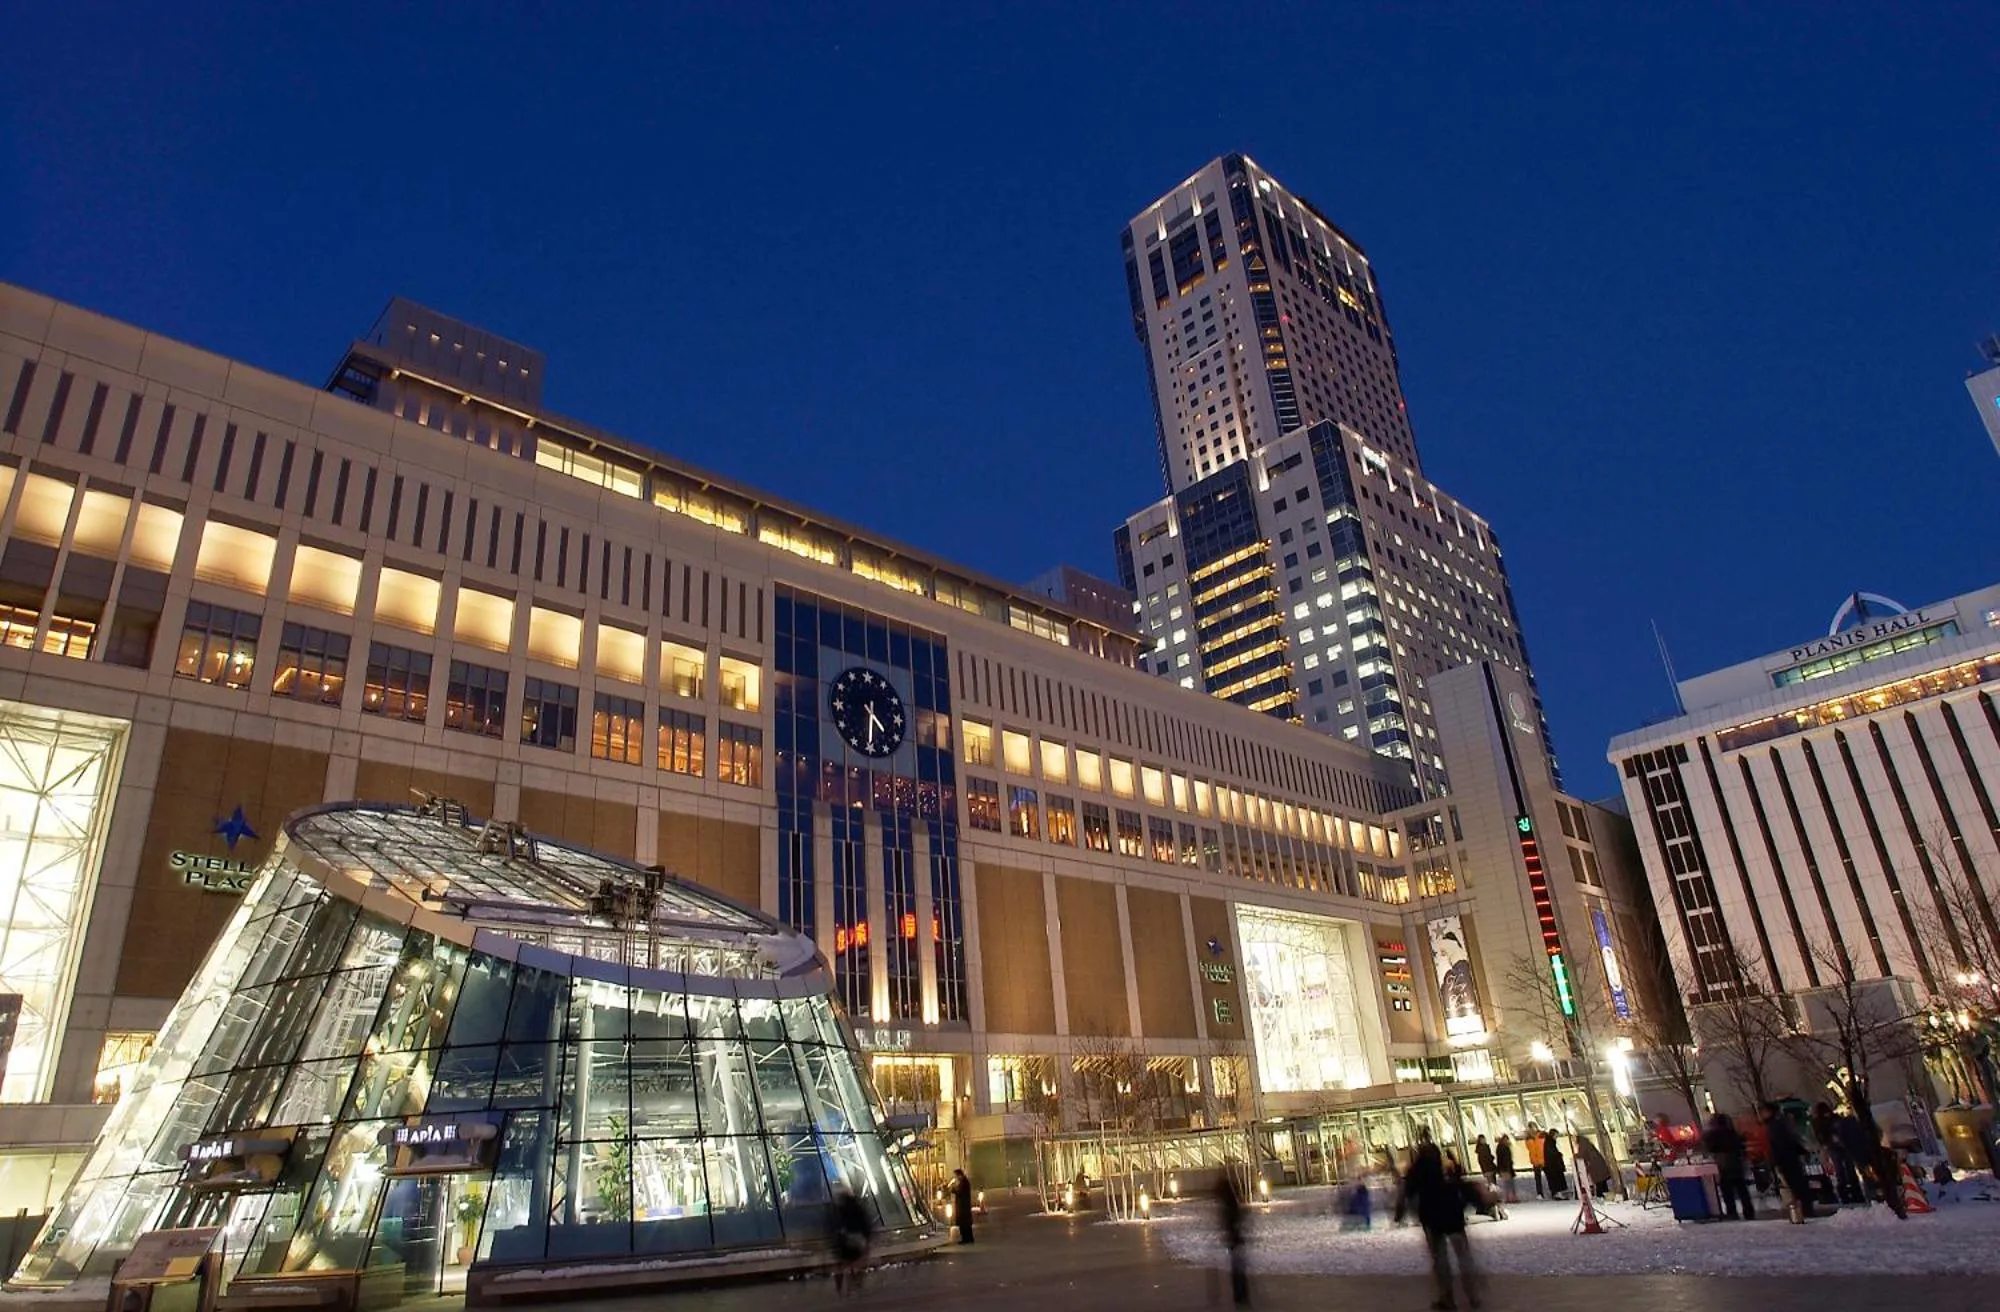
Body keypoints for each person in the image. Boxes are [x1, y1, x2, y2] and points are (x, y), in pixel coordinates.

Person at [1396, 1128, 1479, 1311]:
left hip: (1432, 1216)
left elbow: (1407, 1190)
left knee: (1440, 1259)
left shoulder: (1417, 1168)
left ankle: (1447, 1297)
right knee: (1463, 1256)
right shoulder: (1446, 1165)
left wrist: (1399, 1211)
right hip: (1452, 1213)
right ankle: (1473, 1294)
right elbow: (1461, 1182)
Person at [1761, 1101, 1819, 1220]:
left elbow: (1779, 1143)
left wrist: (1775, 1161)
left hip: (1786, 1158)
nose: (1762, 1114)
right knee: (1797, 1184)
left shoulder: (1775, 1125)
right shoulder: (1780, 1123)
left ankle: (1803, 1210)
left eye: (1764, 1111)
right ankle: (1804, 1209)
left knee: (1795, 1184)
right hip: (1790, 1157)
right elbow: (1791, 1139)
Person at [1703, 1111, 1755, 1220]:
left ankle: (1732, 1212)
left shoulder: (1713, 1135)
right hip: (1735, 1163)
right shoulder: (1732, 1133)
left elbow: (1710, 1147)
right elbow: (1740, 1146)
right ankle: (1749, 1211)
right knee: (1742, 1189)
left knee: (1727, 1191)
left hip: (1723, 1165)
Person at [1811, 1101, 1863, 1204]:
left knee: (1842, 1171)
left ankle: (1846, 1194)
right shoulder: (1834, 1119)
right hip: (1840, 1147)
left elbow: (1820, 1137)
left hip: (1835, 1147)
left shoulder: (1819, 1122)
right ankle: (1854, 1193)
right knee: (1847, 1170)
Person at [830, 1183, 875, 1296]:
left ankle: (840, 1287)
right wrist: (867, 1236)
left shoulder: (836, 1207)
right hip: (857, 1236)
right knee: (859, 1260)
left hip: (843, 1238)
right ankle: (856, 1282)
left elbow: (833, 1224)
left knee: (843, 1262)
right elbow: (865, 1221)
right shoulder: (856, 1204)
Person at [1215, 1170, 1250, 1307]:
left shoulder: (1228, 1206)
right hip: (1236, 1237)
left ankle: (1239, 1294)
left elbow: (1230, 1220)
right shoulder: (1232, 1204)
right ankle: (1241, 1294)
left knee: (1237, 1267)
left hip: (1234, 1237)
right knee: (1238, 1266)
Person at [1575, 1135, 1614, 1200]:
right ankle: (1605, 1193)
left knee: (1599, 1180)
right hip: (1598, 1163)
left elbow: (1582, 1154)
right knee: (1602, 1180)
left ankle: (1600, 1195)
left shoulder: (1583, 1144)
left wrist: (1575, 1156)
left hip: (1595, 1164)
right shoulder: (1587, 1143)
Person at [1542, 1130, 1568, 1200]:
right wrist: (1559, 1155)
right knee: (1556, 1180)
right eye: (1556, 1135)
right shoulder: (1550, 1143)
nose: (1557, 1137)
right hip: (1553, 1166)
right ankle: (1557, 1193)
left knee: (1554, 1180)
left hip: (1551, 1165)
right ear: (1553, 1135)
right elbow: (1552, 1154)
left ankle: (1556, 1193)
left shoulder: (1549, 1142)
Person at [951, 1168, 975, 1244]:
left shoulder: (964, 1182)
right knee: (965, 1223)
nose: (956, 1177)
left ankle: (966, 1238)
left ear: (959, 1175)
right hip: (963, 1205)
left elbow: (960, 1192)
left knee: (964, 1223)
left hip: (963, 1206)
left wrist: (954, 1190)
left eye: (956, 1175)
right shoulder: (963, 1182)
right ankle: (969, 1238)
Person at [1524, 1123, 1547, 1198]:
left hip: (1543, 1159)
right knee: (1537, 1179)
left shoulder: (1541, 1135)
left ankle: (1554, 1191)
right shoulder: (1528, 1139)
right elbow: (1529, 1149)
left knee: (1550, 1176)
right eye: (1530, 1128)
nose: (1532, 1130)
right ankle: (1540, 1193)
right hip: (1535, 1160)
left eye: (1533, 1127)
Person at [1493, 1134, 1517, 1203]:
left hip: (1506, 1168)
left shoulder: (1502, 1147)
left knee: (1508, 1183)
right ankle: (1510, 1198)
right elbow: (1503, 1159)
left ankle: (1510, 1198)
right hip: (1505, 1168)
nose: (1507, 1141)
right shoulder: (1504, 1147)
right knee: (1508, 1184)